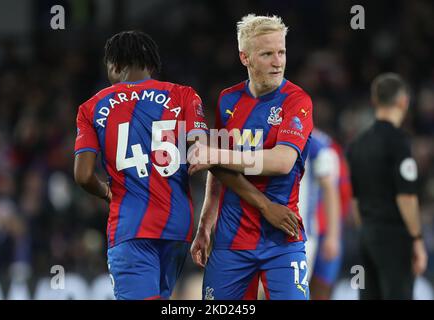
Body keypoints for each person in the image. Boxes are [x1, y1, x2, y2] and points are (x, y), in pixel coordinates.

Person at [74, 30, 299, 300]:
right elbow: (210, 158)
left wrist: (105, 192)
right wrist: (264, 205)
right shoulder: (183, 96)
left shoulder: (91, 108)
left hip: (129, 228)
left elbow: (84, 175)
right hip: (177, 229)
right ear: (152, 65)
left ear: (115, 66)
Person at [188, 14, 313, 300]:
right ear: (245, 58)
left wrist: (215, 153)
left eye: (281, 52)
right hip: (231, 243)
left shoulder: (297, 100)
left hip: (282, 237)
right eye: (267, 54)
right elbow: (216, 168)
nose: (278, 61)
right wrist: (206, 222)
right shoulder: (227, 100)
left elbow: (282, 162)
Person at [346, 73, 428, 300]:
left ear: (375, 100)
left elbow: (355, 199)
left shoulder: (356, 144)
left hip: (366, 235)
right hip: (394, 236)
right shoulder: (399, 142)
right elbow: (406, 197)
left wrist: (367, 231)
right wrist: (417, 238)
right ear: (404, 101)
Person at [309, 137, 352, 300]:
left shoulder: (325, 146)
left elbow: (341, 191)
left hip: (324, 230)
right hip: (300, 230)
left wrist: (333, 235)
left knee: (322, 288)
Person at [298, 128, 341, 291]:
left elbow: (330, 189)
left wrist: (332, 235)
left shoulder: (317, 144)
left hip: (302, 236)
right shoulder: (267, 132)